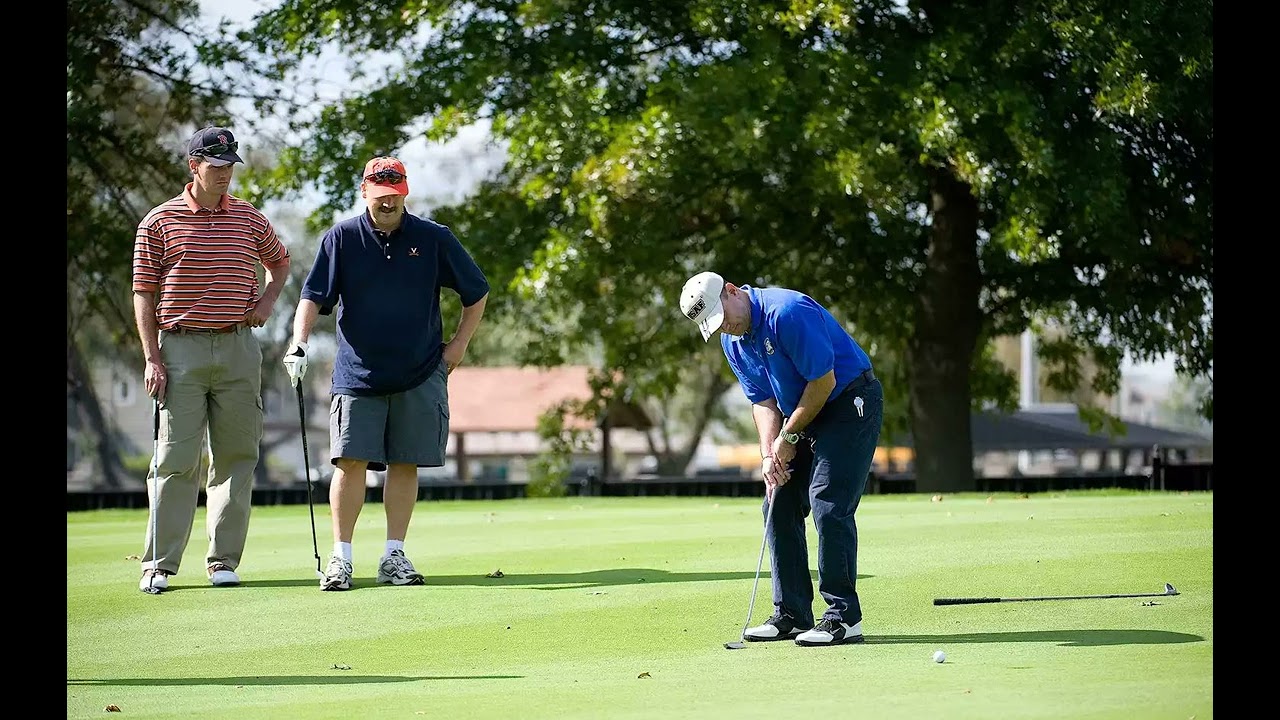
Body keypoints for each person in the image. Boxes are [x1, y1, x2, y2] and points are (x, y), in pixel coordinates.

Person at [283, 156, 489, 591]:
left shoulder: (433, 238)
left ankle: (394, 555)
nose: (388, 203)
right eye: (380, 197)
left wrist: (458, 346)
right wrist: (299, 341)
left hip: (419, 371)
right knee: (349, 461)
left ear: (405, 192)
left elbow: (476, 292)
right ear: (364, 193)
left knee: (404, 462)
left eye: (394, 196)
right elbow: (313, 295)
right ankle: (341, 559)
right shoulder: (342, 238)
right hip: (358, 373)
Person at [679, 271, 883, 646]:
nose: (725, 328)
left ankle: (843, 618)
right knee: (779, 499)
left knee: (827, 501)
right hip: (800, 412)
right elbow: (762, 400)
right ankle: (792, 613)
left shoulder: (787, 312)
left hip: (848, 401)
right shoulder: (733, 341)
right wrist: (769, 454)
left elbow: (824, 382)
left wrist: (788, 438)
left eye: (724, 318)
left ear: (732, 291)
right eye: (716, 327)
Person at [132, 126, 292, 593]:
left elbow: (279, 263)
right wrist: (151, 357)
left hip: (239, 348)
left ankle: (222, 561)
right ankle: (158, 565)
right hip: (178, 348)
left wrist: (265, 303)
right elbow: (143, 293)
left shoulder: (249, 218)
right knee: (175, 459)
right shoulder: (158, 222)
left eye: (229, 167)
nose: (224, 175)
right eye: (216, 167)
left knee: (237, 455)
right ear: (193, 167)